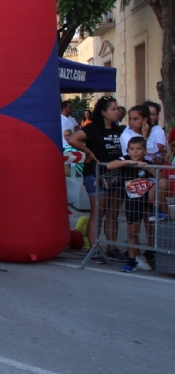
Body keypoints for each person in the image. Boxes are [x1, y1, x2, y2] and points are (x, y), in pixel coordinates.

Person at [67, 96, 128, 263]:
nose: (117, 112)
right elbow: (72, 139)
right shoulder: (93, 128)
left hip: (115, 175)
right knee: (98, 212)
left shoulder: (119, 130)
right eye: (113, 109)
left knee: (113, 213)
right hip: (96, 174)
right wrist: (88, 152)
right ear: (103, 112)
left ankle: (112, 249)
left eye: (117, 109)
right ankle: (94, 249)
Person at [107, 137, 154, 272]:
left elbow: (161, 176)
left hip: (146, 201)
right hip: (132, 202)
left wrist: (149, 168)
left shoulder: (147, 162)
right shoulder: (125, 160)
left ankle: (149, 254)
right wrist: (129, 161)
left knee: (149, 227)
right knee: (132, 231)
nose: (135, 152)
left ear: (144, 151)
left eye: (138, 149)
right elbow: (110, 165)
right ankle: (132, 260)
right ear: (128, 149)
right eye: (132, 149)